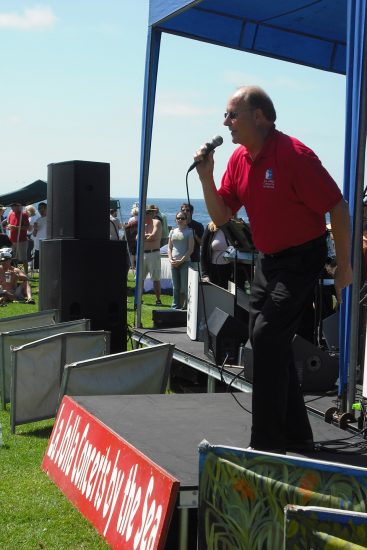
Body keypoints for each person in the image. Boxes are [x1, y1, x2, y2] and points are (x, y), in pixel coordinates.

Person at [194, 85, 352, 453]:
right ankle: (298, 436)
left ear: (259, 117)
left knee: (266, 339)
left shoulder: (294, 155)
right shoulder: (238, 160)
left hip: (301, 259)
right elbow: (221, 217)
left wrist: (343, 268)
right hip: (268, 260)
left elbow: (338, 208)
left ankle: (265, 446)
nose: (225, 122)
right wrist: (206, 178)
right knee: (271, 345)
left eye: (233, 114)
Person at [168, 211, 194, 309]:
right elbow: (169, 247)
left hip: (185, 262)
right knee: (175, 287)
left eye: (182, 218)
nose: (180, 220)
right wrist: (170, 259)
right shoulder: (172, 231)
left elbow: (190, 249)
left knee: (184, 286)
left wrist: (181, 261)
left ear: (186, 220)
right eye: (178, 218)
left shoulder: (189, 231)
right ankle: (175, 305)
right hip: (173, 263)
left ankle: (187, 306)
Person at [200, 221, 232, 289]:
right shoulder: (210, 227)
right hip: (213, 269)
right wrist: (205, 274)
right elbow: (203, 252)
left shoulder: (232, 227)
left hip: (229, 269)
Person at [143, 207, 162, 305]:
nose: (145, 215)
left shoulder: (157, 222)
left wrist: (145, 236)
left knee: (156, 278)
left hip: (154, 253)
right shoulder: (142, 224)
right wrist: (147, 236)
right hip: (143, 254)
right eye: (144, 213)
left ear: (151, 214)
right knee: (140, 278)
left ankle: (158, 299)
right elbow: (137, 237)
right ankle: (139, 298)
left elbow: (154, 236)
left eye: (147, 213)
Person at [6, 202, 30, 274]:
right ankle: (17, 273)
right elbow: (9, 224)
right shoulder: (11, 214)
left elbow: (27, 227)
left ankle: (23, 274)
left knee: (22, 259)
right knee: (13, 258)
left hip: (21, 240)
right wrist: (8, 227)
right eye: (11, 206)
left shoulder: (24, 215)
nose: (12, 207)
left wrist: (15, 227)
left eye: (13, 206)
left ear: (18, 206)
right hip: (12, 240)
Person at [32, 202, 47, 270]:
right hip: (38, 245)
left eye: (42, 208)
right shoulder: (38, 220)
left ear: (46, 208)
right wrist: (35, 229)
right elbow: (34, 234)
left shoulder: (50, 218)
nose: (40, 210)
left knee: (46, 264)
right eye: (39, 209)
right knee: (39, 266)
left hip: (46, 244)